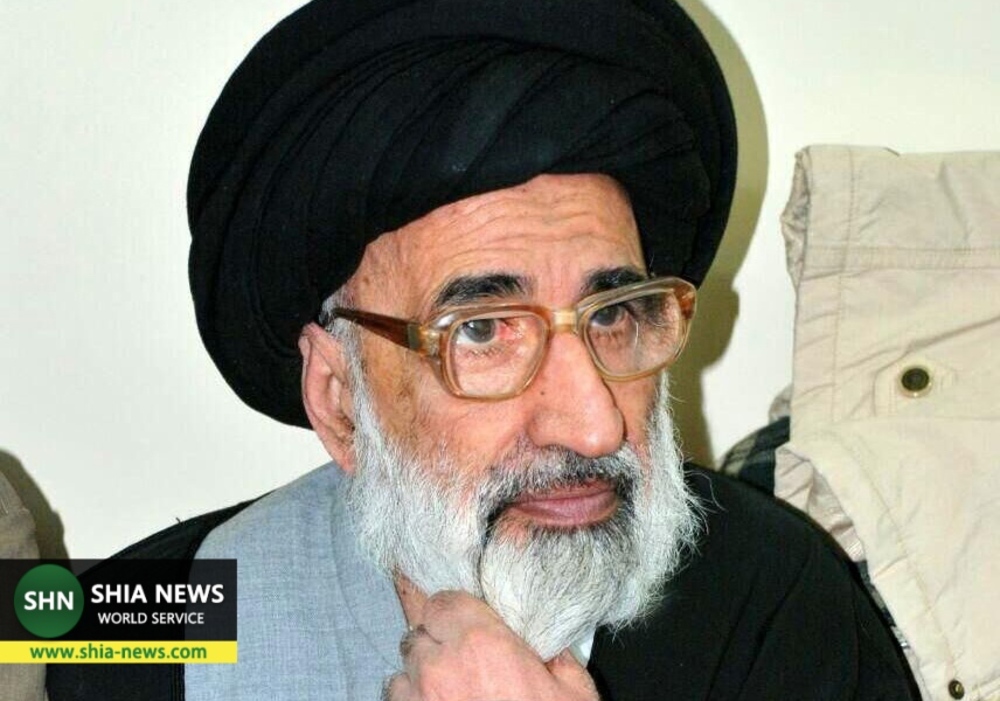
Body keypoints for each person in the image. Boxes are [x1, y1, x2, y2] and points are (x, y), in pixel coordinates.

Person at [48, 1, 917, 699]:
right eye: (483, 330)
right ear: (339, 399)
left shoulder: (773, 606)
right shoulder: (138, 622)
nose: (594, 423)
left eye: (614, 314)